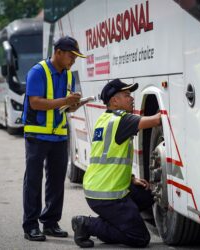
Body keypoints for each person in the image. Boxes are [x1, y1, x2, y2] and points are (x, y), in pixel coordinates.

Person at [71, 79, 161, 248]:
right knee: (140, 238)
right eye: (127, 95)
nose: (132, 98)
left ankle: (116, 219)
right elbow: (157, 120)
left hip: (100, 188)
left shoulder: (105, 119)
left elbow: (111, 159)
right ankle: (87, 224)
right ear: (114, 101)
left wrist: (131, 178)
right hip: (107, 196)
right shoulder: (121, 121)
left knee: (146, 195)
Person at [22, 36, 87, 241]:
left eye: (76, 57)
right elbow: (36, 103)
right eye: (71, 56)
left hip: (59, 135)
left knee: (57, 181)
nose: (73, 60)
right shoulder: (37, 72)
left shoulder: (68, 75)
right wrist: (65, 100)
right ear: (58, 52)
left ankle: (50, 222)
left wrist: (75, 104)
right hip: (36, 134)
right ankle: (31, 225)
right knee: (33, 180)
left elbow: (65, 106)